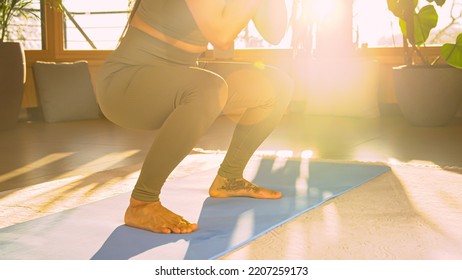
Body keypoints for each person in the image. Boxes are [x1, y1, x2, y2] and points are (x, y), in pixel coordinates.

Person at [96, 0, 293, 234]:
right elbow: (221, 36)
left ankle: (228, 179)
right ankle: (142, 203)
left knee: (276, 85)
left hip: (179, 78)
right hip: (125, 86)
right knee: (209, 87)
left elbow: (275, 33)